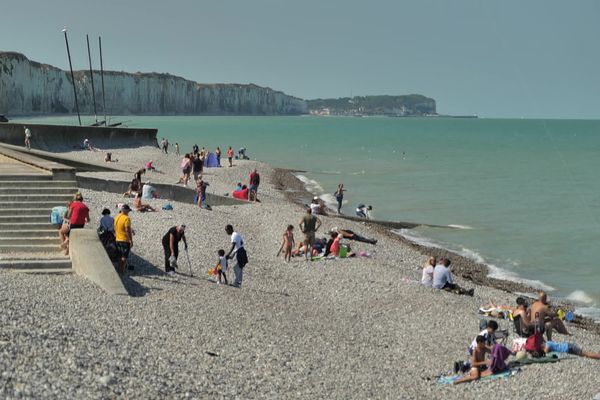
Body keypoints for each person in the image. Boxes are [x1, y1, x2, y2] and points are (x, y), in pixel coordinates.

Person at [114, 204, 133, 273]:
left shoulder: (117, 217)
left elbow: (116, 227)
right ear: (126, 211)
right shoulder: (126, 218)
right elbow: (127, 229)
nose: (128, 212)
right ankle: (122, 270)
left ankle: (119, 268)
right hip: (124, 239)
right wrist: (130, 240)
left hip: (117, 239)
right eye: (128, 211)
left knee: (119, 255)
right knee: (124, 256)